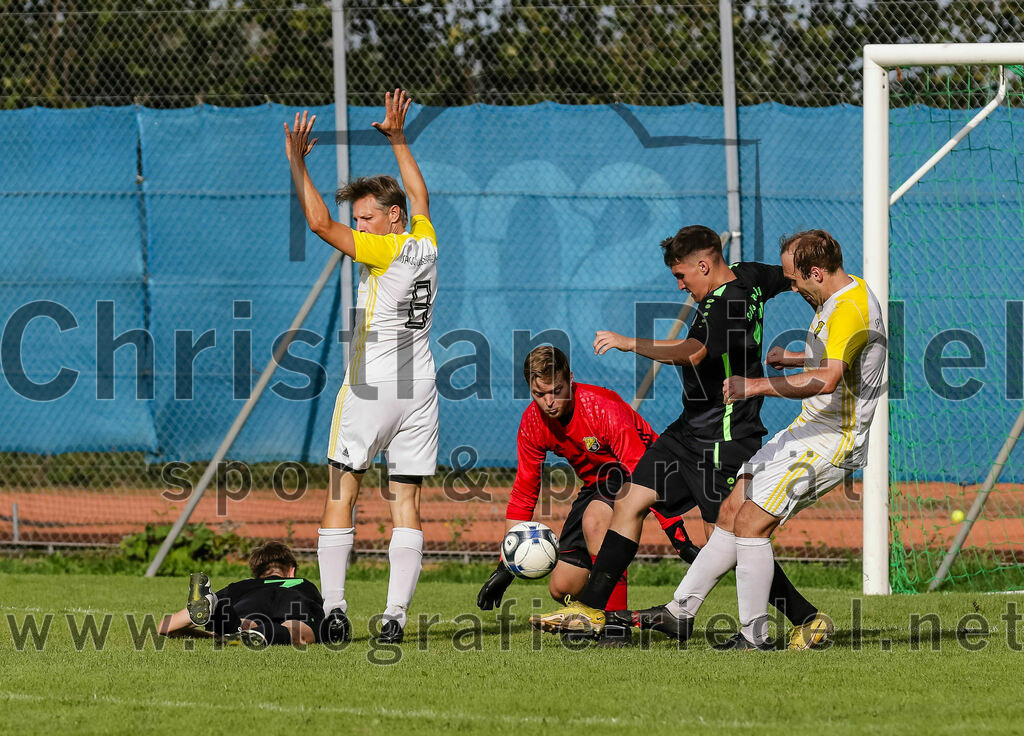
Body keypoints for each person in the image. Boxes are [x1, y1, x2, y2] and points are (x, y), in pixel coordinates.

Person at [530, 225, 829, 650]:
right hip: (688, 430)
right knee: (630, 500)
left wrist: (629, 343)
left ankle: (807, 618)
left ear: (704, 265)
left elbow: (692, 351)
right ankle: (594, 611)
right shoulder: (749, 275)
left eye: (682, 275)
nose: (680, 285)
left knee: (732, 536)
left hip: (724, 440)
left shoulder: (728, 304)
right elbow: (791, 277)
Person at [662, 229, 886, 650]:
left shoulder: (849, 308)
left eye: (796, 279)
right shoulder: (842, 293)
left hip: (832, 440)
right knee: (731, 508)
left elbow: (830, 378)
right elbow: (844, 357)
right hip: (808, 430)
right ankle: (680, 612)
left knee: (751, 522)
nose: (793, 286)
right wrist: (799, 357)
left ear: (816, 272)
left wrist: (757, 385)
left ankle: (754, 637)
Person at [286, 89, 438, 645]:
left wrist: (298, 163)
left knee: (340, 493)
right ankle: (395, 618)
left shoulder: (388, 249)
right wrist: (399, 139)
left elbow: (321, 223)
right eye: (360, 219)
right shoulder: (425, 242)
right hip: (420, 385)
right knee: (406, 501)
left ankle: (334, 609)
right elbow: (420, 196)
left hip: (372, 384)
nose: (361, 226)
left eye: (367, 217)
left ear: (390, 219)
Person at [476, 345, 700, 618]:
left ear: (570, 379)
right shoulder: (533, 422)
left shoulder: (603, 408)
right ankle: (592, 614)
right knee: (562, 587)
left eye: (556, 391)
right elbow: (524, 491)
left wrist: (678, 538)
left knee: (595, 521)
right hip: (597, 483)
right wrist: (506, 566)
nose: (549, 402)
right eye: (539, 394)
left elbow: (645, 475)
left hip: (642, 471)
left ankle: (614, 626)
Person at [159, 541, 331, 647]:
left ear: (257, 574)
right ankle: (265, 633)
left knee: (244, 622)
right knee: (297, 630)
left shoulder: (243, 585)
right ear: (292, 571)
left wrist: (209, 636)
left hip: (251, 600)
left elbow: (162, 628)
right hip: (293, 598)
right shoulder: (304, 584)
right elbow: (323, 615)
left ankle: (218, 609)